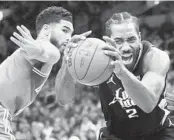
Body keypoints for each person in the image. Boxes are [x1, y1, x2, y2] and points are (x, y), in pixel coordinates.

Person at [55, 12, 174, 140]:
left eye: (131, 39)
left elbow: (148, 104)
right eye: (118, 41)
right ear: (108, 41)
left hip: (157, 133)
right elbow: (64, 99)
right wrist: (67, 63)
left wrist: (122, 72)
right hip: (116, 135)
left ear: (139, 38)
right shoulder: (100, 58)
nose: (126, 47)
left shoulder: (154, 58)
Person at [0, 6, 75, 140]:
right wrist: (39, 50)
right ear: (46, 29)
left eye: (71, 33)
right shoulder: (43, 49)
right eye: (65, 30)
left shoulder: (45, 55)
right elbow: (49, 52)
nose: (69, 37)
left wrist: (39, 51)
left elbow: (50, 55)